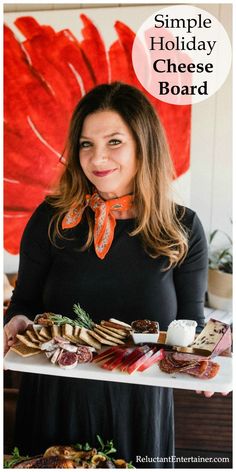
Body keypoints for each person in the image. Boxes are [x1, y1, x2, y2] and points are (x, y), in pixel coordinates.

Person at [4, 82, 208, 468]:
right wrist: (13, 323)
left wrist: (203, 361)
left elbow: (190, 326)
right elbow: (24, 304)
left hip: (140, 408)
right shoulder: (51, 219)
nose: (97, 158)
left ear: (143, 144)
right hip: (54, 399)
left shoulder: (181, 228)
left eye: (114, 141)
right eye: (85, 144)